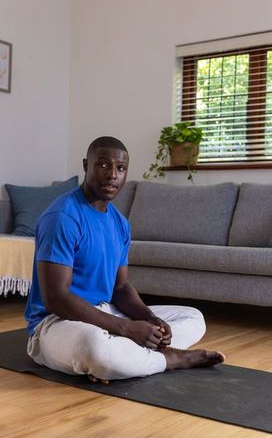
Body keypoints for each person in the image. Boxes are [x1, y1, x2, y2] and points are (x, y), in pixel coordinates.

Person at [25, 136, 225, 383]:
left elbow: (120, 287)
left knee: (194, 318)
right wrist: (126, 329)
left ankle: (123, 356)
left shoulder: (120, 223)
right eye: (103, 165)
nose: (112, 175)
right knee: (95, 347)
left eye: (120, 168)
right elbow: (56, 298)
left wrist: (148, 318)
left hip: (107, 313)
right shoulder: (62, 217)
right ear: (86, 165)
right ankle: (171, 359)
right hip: (56, 324)